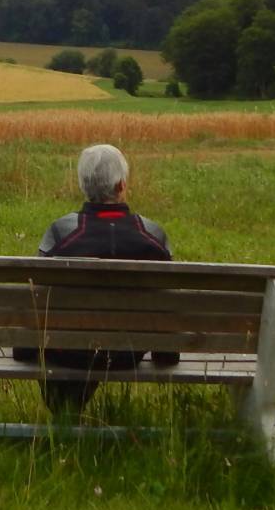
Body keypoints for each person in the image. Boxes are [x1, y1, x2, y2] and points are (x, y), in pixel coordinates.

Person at [16, 142, 178, 412]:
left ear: (83, 186)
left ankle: (65, 414)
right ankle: (69, 412)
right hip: (128, 354)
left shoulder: (60, 233)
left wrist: (25, 349)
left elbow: (37, 298)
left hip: (70, 353)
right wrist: (166, 352)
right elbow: (167, 304)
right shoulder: (153, 235)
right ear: (122, 185)